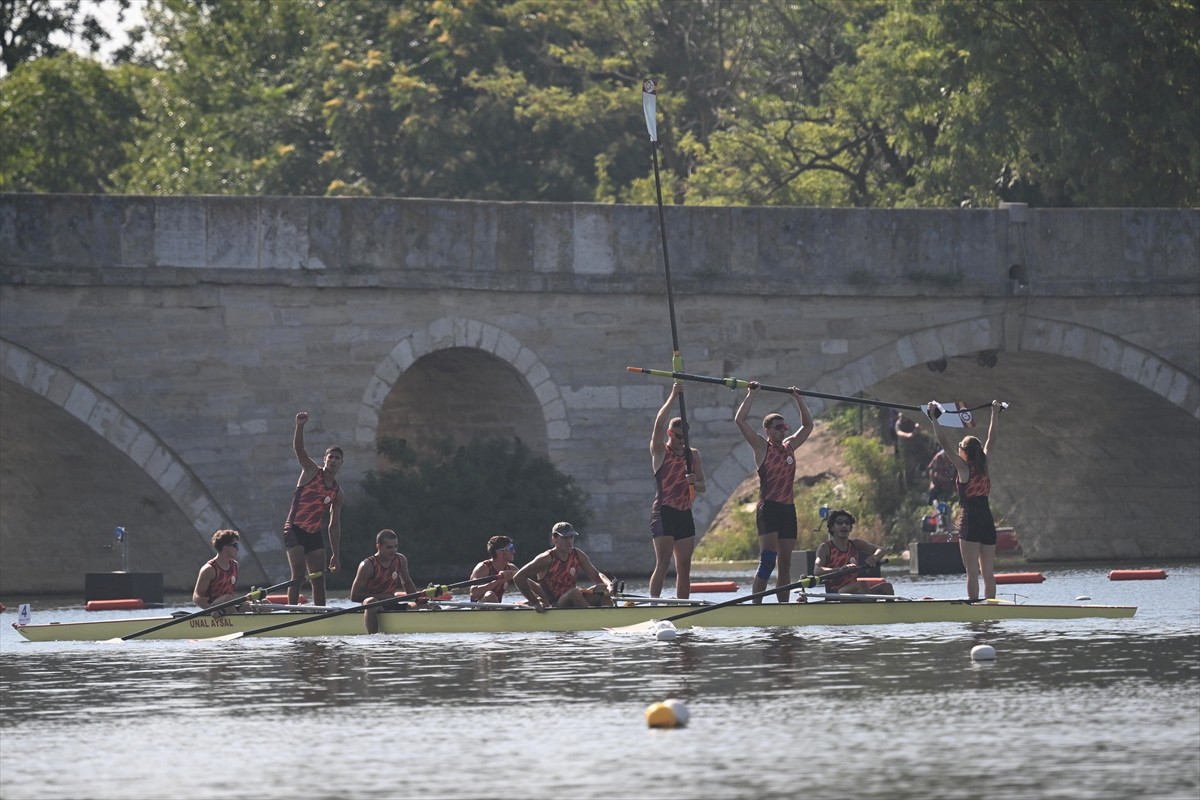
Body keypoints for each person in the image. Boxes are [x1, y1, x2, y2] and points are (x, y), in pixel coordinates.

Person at [734, 382, 813, 603]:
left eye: (784, 427)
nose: (782, 430)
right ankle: (756, 606)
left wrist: (798, 398)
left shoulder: (790, 446)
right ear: (767, 431)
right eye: (778, 427)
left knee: (785, 564)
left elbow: (808, 425)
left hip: (788, 509)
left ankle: (783, 608)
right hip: (768, 507)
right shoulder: (762, 447)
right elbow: (740, 421)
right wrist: (751, 395)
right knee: (768, 560)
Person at [930, 399, 1004, 601]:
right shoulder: (984, 463)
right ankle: (992, 607)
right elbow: (992, 438)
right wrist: (995, 412)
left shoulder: (964, 468)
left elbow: (944, 444)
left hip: (970, 521)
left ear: (963, 451)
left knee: (972, 572)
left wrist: (934, 418)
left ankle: (975, 608)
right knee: (988, 572)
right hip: (987, 521)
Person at [281, 411, 344, 606]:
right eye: (331, 457)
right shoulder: (311, 471)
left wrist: (336, 554)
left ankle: (321, 613)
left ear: (341, 463)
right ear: (325, 459)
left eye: (337, 458)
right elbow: (299, 450)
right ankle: (292, 612)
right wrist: (300, 426)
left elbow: (334, 525)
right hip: (294, 528)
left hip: (313, 533)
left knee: (319, 578)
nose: (333, 461)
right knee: (298, 575)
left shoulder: (337, 493)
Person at [649, 383, 706, 599]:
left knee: (684, 566)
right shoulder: (660, 451)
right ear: (670, 434)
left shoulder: (693, 455)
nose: (683, 442)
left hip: (684, 513)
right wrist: (673, 396)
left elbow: (703, 486)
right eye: (679, 437)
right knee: (663, 562)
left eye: (686, 437)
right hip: (664, 512)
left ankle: (683, 605)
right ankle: (653, 605)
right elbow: (658, 423)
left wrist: (693, 482)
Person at [512, 522, 616, 612]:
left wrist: (609, 585)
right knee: (574, 592)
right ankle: (592, 617)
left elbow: (597, 575)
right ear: (554, 539)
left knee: (602, 587)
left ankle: (610, 617)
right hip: (555, 604)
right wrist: (535, 603)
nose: (570, 541)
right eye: (565, 537)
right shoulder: (546, 559)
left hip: (574, 599)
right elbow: (518, 577)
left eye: (571, 537)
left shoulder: (577, 554)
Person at [349, 529, 418, 633]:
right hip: (374, 606)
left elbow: (406, 582)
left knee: (425, 606)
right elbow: (354, 596)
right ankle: (373, 638)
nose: (393, 550)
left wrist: (418, 600)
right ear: (378, 547)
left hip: (392, 603)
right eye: (389, 547)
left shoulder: (400, 559)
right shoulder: (367, 565)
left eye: (396, 546)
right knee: (370, 602)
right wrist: (382, 597)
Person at [813, 510, 893, 595]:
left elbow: (882, 550)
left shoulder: (856, 544)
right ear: (832, 527)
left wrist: (874, 557)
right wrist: (839, 569)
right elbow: (817, 570)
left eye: (847, 523)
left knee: (887, 587)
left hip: (854, 589)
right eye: (839, 523)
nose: (844, 525)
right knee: (862, 585)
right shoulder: (825, 548)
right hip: (835, 592)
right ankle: (869, 601)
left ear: (850, 528)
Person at [192, 529, 242, 616]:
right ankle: (238, 620)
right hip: (214, 609)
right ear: (225, 547)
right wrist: (211, 610)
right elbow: (196, 597)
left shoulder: (235, 565)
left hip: (228, 606)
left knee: (257, 604)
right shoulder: (209, 569)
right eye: (235, 545)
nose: (238, 549)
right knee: (227, 598)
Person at [469, 535, 518, 603]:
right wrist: (498, 581)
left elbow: (526, 582)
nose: (513, 551)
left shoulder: (511, 568)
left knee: (529, 601)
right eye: (510, 548)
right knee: (490, 595)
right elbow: (474, 593)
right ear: (499, 552)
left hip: (496, 606)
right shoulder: (483, 568)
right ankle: (500, 609)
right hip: (478, 606)